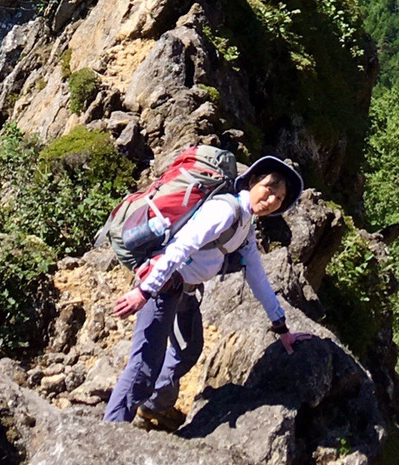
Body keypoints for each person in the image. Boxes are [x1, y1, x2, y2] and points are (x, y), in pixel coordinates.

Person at [103, 153, 305, 429]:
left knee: (188, 349)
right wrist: (145, 291)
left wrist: (281, 327)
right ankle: (111, 430)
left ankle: (152, 407)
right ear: (253, 181)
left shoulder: (245, 225)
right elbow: (181, 247)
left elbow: (257, 276)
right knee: (143, 367)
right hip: (163, 286)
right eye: (269, 189)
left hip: (183, 291)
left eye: (279, 198)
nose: (271, 200)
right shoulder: (225, 211)